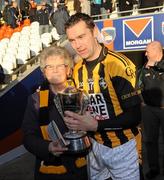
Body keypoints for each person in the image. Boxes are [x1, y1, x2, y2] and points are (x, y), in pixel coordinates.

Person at [64, 13, 142, 180]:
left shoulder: (119, 65)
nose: (77, 45)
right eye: (72, 40)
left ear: (94, 32)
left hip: (123, 147)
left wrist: (96, 125)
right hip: (94, 147)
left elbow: (135, 116)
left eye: (81, 36)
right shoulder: (77, 70)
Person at [21, 45, 88, 180]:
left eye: (60, 65)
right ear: (44, 72)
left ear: (69, 70)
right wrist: (49, 147)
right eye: (49, 67)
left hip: (83, 168)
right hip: (50, 172)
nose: (55, 70)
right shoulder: (35, 100)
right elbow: (28, 137)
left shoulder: (82, 95)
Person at [138, 41, 164, 179]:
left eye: (147, 51)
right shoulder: (144, 69)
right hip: (149, 111)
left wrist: (157, 66)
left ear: (157, 50)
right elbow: (138, 87)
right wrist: (143, 103)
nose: (145, 54)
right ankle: (151, 171)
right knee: (149, 142)